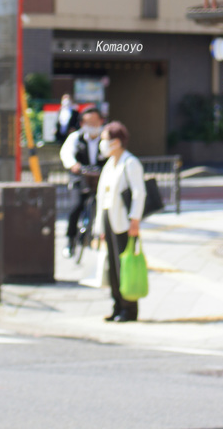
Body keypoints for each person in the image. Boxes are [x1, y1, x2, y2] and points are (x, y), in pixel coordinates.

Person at [94, 121, 146, 323]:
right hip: (109, 217)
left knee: (124, 266)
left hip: (124, 221)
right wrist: (100, 227)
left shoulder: (130, 163)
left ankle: (129, 309)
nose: (102, 144)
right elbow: (102, 196)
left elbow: (139, 193)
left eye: (105, 139)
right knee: (112, 266)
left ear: (116, 142)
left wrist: (135, 219)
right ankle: (117, 305)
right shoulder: (109, 164)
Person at [59, 104, 105, 258]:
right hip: (80, 178)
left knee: (103, 208)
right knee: (76, 206)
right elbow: (66, 154)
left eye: (95, 122)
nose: (92, 126)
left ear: (101, 121)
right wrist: (73, 165)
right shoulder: (75, 138)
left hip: (100, 179)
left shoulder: (105, 137)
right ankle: (70, 240)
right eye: (88, 122)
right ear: (82, 123)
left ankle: (97, 237)